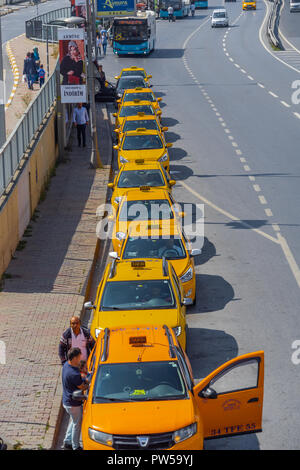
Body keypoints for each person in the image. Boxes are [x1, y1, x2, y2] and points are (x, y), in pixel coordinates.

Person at [62, 347, 89, 450]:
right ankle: (75, 446)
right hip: (73, 403)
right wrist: (89, 383)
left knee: (73, 421)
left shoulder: (66, 365)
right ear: (73, 358)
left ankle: (67, 441)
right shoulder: (74, 373)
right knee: (77, 425)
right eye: (78, 357)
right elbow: (82, 386)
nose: (80, 359)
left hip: (66, 401)